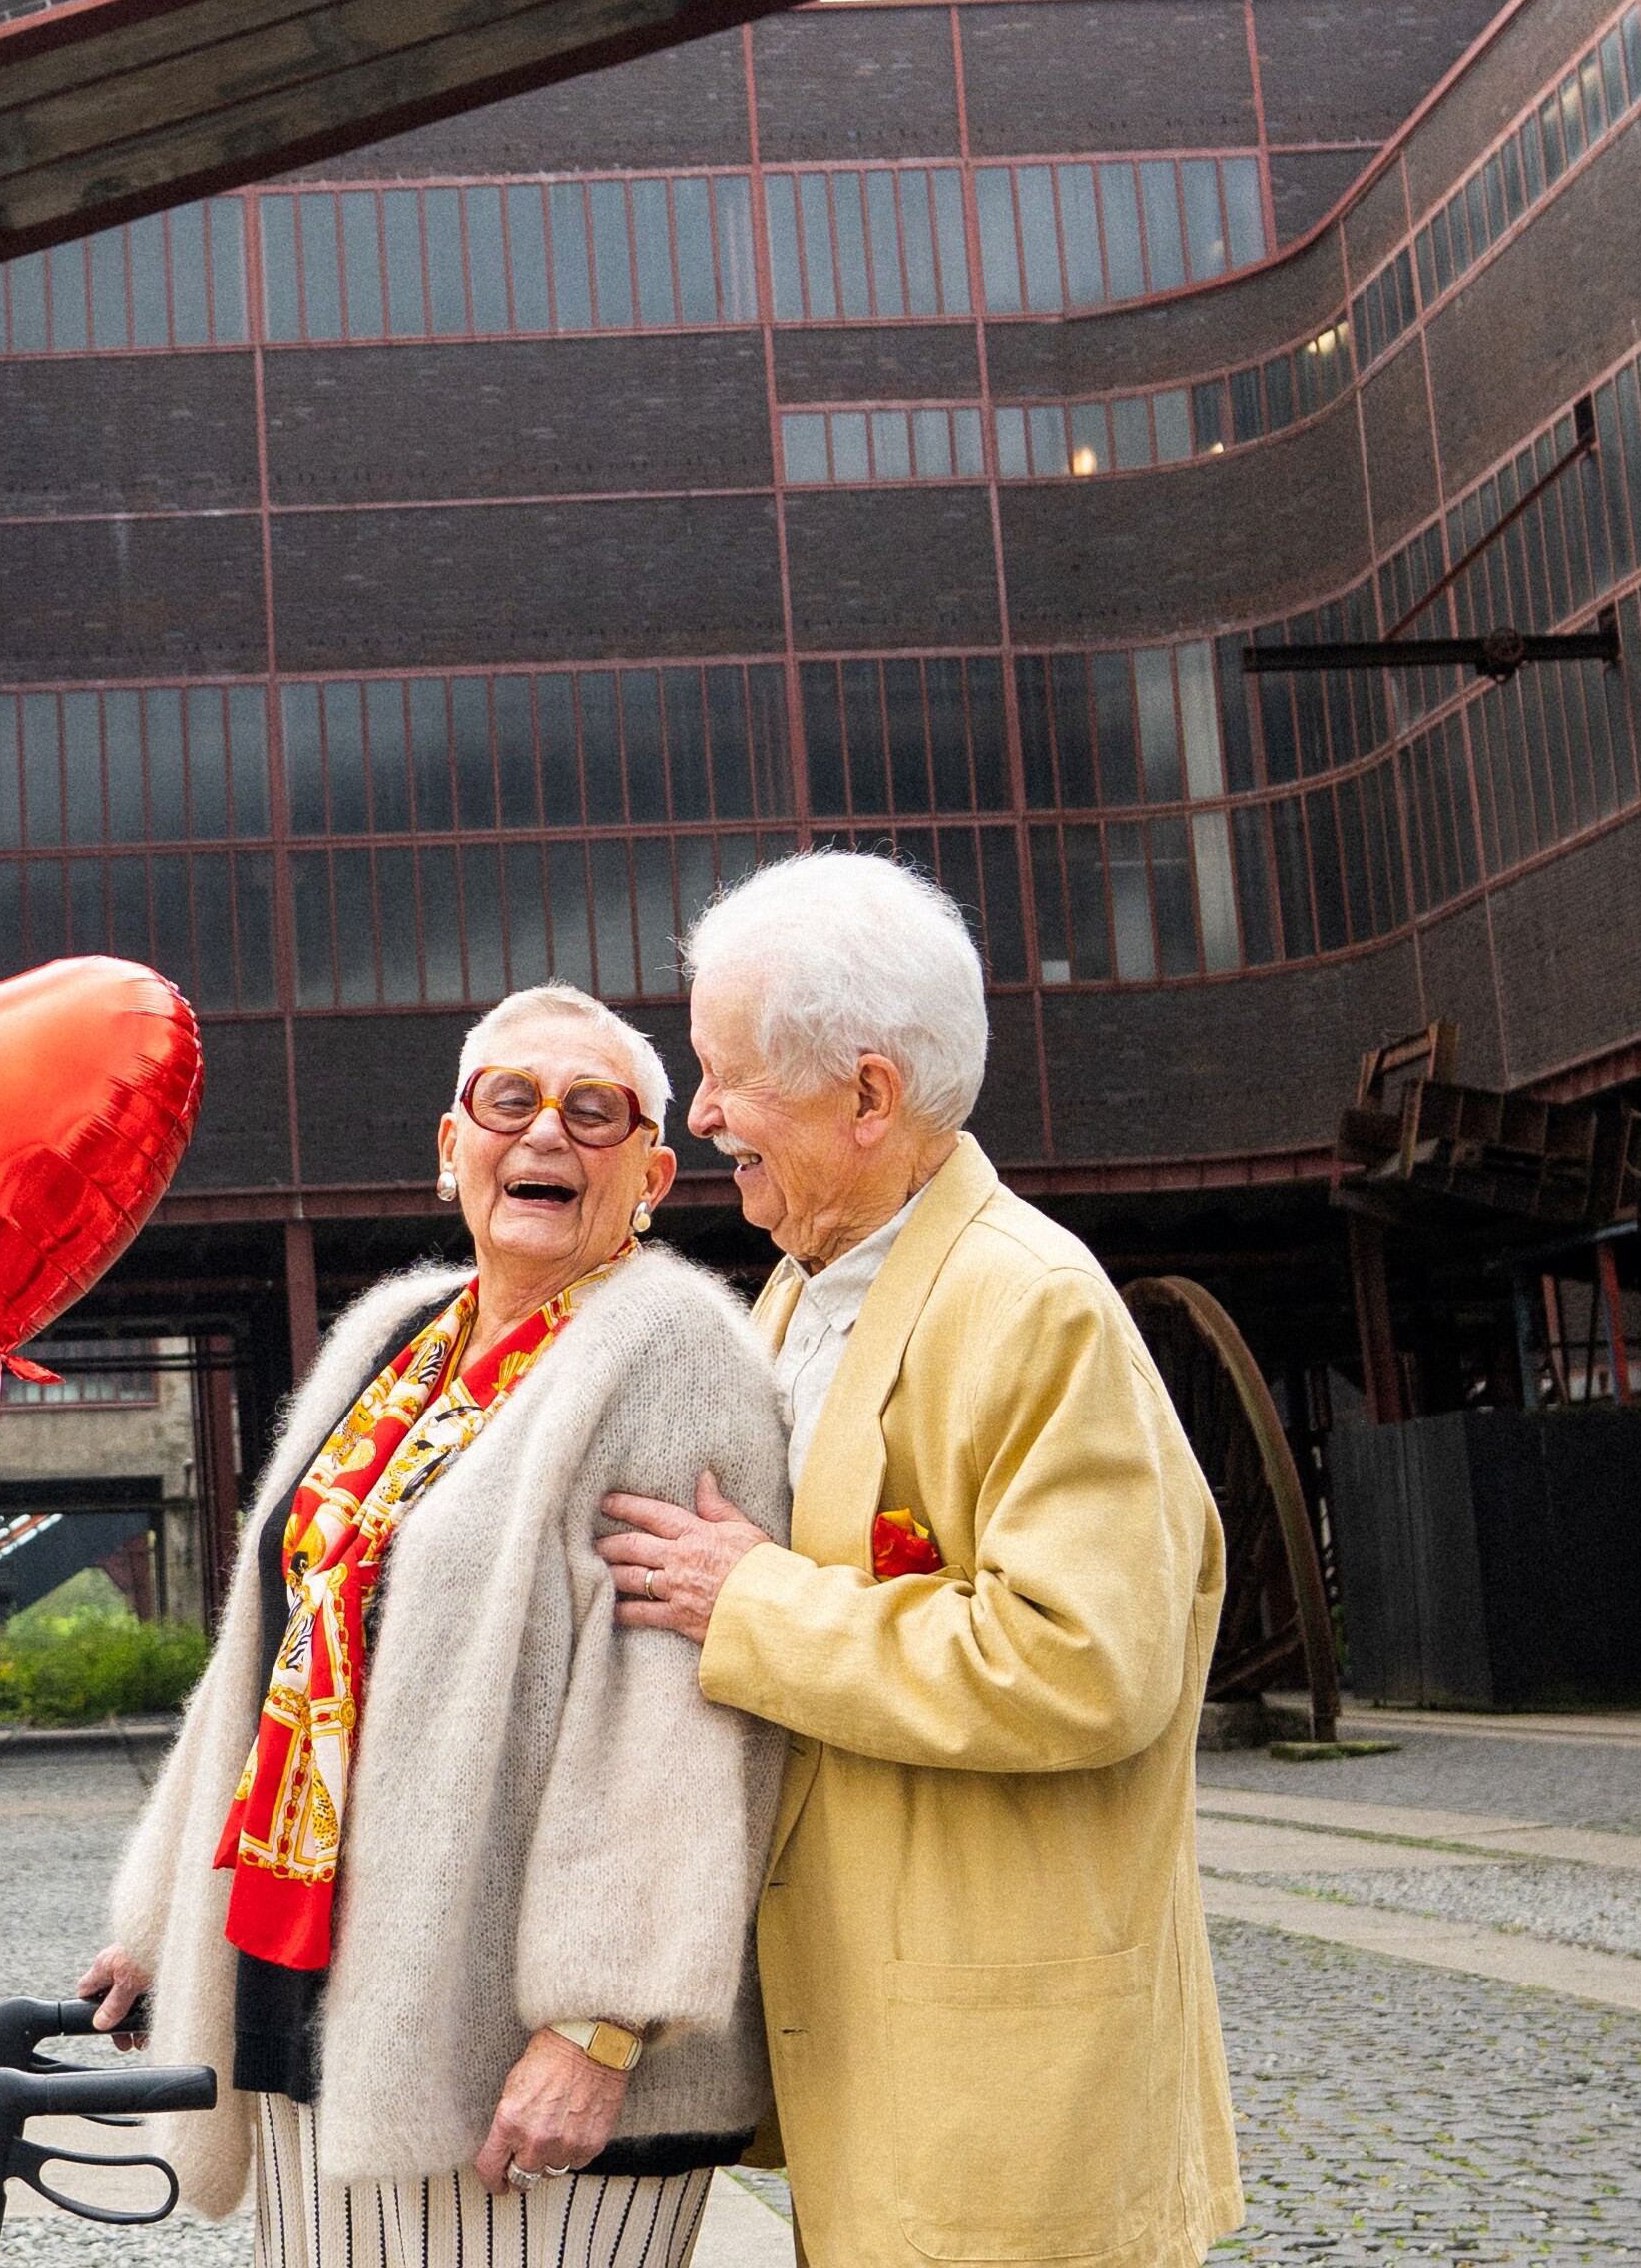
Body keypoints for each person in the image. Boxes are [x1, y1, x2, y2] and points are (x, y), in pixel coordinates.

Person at [591, 850, 1241, 2267]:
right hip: (880, 2061)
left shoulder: (1034, 1306)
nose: (698, 1115)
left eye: (726, 1074)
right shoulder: (795, 1292)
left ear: (868, 1096)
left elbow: (1087, 1663)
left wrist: (750, 1600)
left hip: (1010, 2091)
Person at [79, 982, 792, 2268]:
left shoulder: (673, 1353)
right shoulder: (392, 1332)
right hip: (311, 1985)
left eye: (595, 1112)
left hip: (507, 2050)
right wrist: (158, 1922)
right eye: (509, 1101)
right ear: (450, 1145)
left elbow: (677, 1712)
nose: (546, 1135)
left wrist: (600, 2023)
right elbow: (277, 1641)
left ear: (652, 1172)